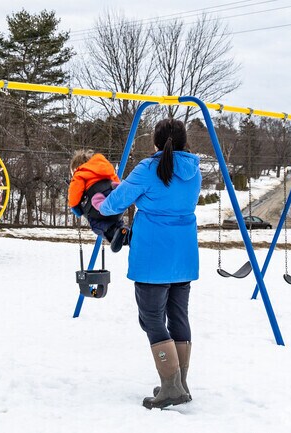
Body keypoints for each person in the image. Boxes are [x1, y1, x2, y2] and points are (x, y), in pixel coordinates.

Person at [93, 118, 201, 409]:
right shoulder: (194, 170)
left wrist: (101, 203)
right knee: (178, 316)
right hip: (184, 252)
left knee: (151, 318)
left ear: (156, 141)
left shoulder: (148, 169)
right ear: (184, 142)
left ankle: (170, 387)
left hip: (154, 253)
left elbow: (115, 204)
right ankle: (180, 382)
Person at [68, 150, 130, 252]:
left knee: (96, 224)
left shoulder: (79, 173)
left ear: (76, 167)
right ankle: (125, 234)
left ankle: (114, 233)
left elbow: (75, 191)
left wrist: (74, 207)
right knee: (116, 221)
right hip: (114, 202)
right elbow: (116, 180)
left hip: (97, 205)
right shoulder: (105, 168)